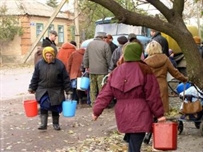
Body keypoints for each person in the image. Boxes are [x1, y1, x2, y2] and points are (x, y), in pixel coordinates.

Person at [92, 42, 166, 152]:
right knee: (135, 145)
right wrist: (159, 114)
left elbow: (105, 93)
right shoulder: (145, 70)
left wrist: (96, 111)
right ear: (139, 54)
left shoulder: (116, 71)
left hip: (122, 112)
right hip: (141, 112)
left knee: (132, 142)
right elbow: (152, 95)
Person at [28, 46, 72, 131]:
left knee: (54, 107)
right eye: (47, 55)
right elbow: (35, 77)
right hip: (42, 89)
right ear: (44, 55)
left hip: (56, 89)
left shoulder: (59, 64)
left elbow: (65, 78)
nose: (48, 57)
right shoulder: (39, 64)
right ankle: (43, 124)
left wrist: (68, 90)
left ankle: (56, 124)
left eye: (50, 56)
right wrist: (32, 87)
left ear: (53, 55)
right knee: (43, 106)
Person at [144, 40, 188, 113]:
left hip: (150, 86)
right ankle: (162, 123)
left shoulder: (145, 62)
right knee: (163, 109)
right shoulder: (165, 58)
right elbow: (174, 72)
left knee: (151, 107)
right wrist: (184, 79)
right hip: (162, 85)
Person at [83, 32, 112, 106]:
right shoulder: (105, 45)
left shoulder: (89, 44)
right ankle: (102, 103)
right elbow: (109, 58)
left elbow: (85, 57)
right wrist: (110, 69)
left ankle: (93, 103)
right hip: (102, 70)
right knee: (102, 88)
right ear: (103, 38)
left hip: (92, 70)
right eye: (105, 38)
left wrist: (86, 66)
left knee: (92, 88)